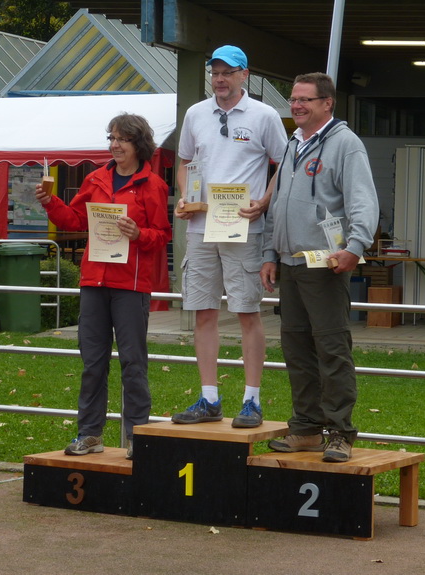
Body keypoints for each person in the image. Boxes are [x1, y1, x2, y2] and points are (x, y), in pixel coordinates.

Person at [35, 113, 171, 460]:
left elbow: (162, 235)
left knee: (132, 362)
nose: (115, 145)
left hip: (131, 285)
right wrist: (50, 202)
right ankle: (90, 434)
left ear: (138, 143)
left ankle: (137, 435)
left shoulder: (153, 185)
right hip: (94, 280)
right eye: (111, 138)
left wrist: (138, 234)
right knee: (92, 362)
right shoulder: (95, 179)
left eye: (122, 139)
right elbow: (75, 220)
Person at [259, 72, 379, 463]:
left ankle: (341, 432)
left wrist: (355, 247)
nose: (296, 106)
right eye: (293, 99)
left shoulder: (346, 144)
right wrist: (270, 253)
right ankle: (307, 429)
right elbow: (277, 204)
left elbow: (363, 200)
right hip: (290, 264)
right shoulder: (293, 143)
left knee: (331, 349)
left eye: (304, 100)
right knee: (297, 349)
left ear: (327, 103)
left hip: (326, 265)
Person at [171, 45, 288, 428]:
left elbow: (285, 164)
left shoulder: (265, 115)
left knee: (246, 312)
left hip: (243, 227)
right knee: (203, 312)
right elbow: (184, 161)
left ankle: (251, 401)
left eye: (227, 72)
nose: (220, 79)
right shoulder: (195, 113)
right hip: (201, 226)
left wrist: (264, 202)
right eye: (215, 72)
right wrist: (186, 196)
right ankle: (209, 398)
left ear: (244, 75)